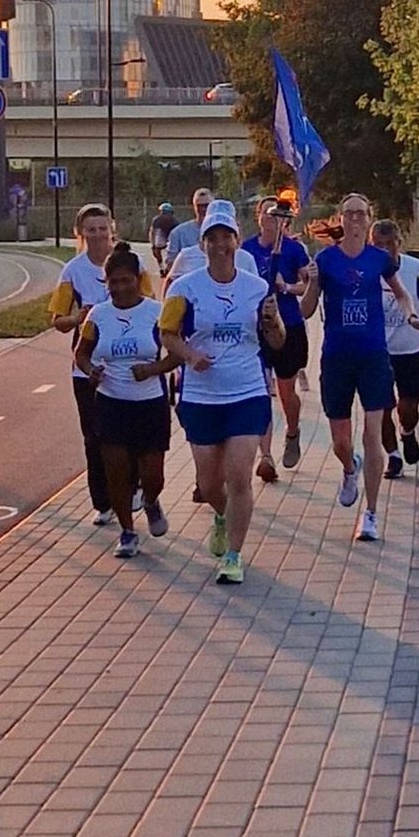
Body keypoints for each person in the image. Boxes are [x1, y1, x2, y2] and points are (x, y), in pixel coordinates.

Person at [160, 200, 285, 585]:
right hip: (201, 396)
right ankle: (220, 514)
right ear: (202, 244)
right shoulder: (184, 288)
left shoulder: (257, 287)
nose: (219, 245)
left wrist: (273, 322)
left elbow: (277, 341)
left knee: (239, 477)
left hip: (246, 392)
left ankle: (233, 555)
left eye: (226, 237)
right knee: (210, 484)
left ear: (237, 240)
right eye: (212, 238)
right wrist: (190, 355)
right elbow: (167, 334)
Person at [300, 194, 419, 543]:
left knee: (372, 435)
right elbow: (306, 311)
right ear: (341, 219)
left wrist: (412, 317)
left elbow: (401, 294)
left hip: (373, 355)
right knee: (341, 442)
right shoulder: (325, 259)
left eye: (361, 213)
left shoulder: (379, 259)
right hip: (337, 357)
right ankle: (349, 468)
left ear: (369, 218)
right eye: (350, 213)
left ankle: (370, 514)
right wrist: (312, 282)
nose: (356, 219)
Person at [49, 204, 152, 526]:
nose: (97, 235)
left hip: (129, 363)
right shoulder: (73, 271)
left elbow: (150, 306)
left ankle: (133, 487)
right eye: (90, 230)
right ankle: (103, 501)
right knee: (95, 436)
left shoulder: (133, 264)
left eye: (102, 228)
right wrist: (78, 318)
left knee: (129, 434)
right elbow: (57, 320)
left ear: (112, 229)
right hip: (88, 366)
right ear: (80, 234)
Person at [74, 244, 173, 559]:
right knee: (116, 472)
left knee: (153, 475)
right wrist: (91, 371)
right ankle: (128, 531)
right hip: (111, 402)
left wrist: (152, 369)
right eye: (113, 282)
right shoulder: (99, 315)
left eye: (125, 281)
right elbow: (81, 354)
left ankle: (151, 500)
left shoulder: (156, 312)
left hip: (150, 403)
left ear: (137, 279)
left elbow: (176, 354)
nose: (119, 288)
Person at [370, 221, 419, 477]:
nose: (385, 250)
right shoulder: (366, 271)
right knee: (382, 408)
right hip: (378, 351)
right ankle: (393, 457)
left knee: (407, 406)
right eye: (378, 245)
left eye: (389, 244)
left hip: (413, 349)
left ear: (399, 243)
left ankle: (408, 431)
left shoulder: (418, 269)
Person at [242, 197, 313, 470]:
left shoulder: (294, 249)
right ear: (258, 216)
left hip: (288, 324)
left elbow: (307, 286)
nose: (271, 218)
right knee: (261, 390)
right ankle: (266, 456)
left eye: (277, 214)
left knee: (285, 390)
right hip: (257, 326)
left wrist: (286, 287)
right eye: (266, 213)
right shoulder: (247, 250)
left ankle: (292, 432)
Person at [164, 188, 214, 267]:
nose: (203, 209)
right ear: (194, 207)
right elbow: (170, 262)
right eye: (199, 206)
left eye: (207, 205)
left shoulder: (225, 233)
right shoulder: (178, 233)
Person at [149, 202, 176, 275]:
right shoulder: (157, 220)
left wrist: (153, 243)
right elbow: (153, 231)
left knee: (167, 251)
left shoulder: (174, 221)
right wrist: (153, 243)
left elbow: (152, 232)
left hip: (168, 237)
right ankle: (163, 268)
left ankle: (164, 267)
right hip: (163, 237)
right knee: (158, 249)